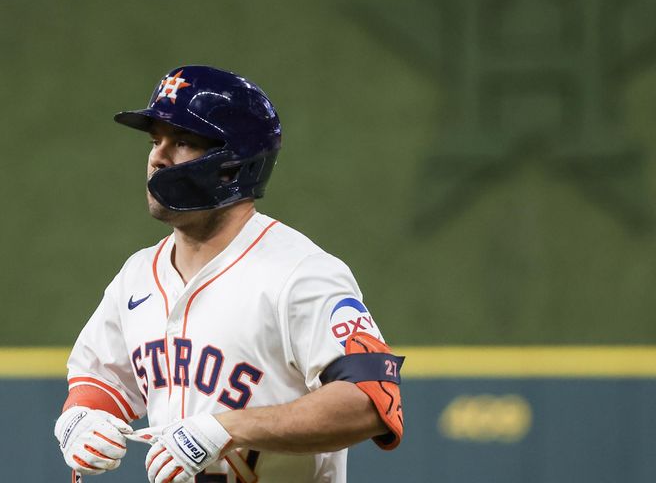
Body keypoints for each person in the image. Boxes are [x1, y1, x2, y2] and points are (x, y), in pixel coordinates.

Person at [53, 65, 404, 483]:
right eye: (155, 140)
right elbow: (101, 378)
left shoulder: (301, 273)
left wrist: (227, 427)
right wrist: (82, 419)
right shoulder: (137, 276)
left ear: (233, 165)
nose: (157, 157)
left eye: (182, 141)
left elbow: (371, 401)